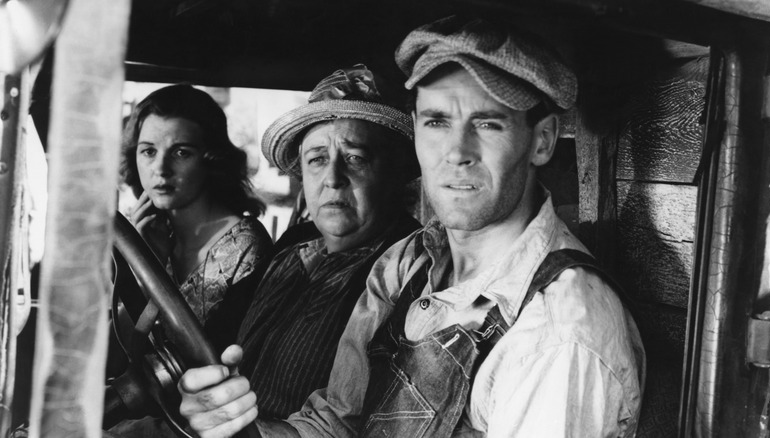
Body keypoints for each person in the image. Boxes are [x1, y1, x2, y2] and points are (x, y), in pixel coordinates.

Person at [177, 16, 645, 438]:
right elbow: (337, 424)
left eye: (487, 123)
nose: (456, 150)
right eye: (437, 121)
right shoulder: (406, 263)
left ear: (541, 140)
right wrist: (240, 431)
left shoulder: (558, 331)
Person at [108, 65, 421, 437]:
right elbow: (206, 350)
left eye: (355, 158)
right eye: (317, 159)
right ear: (302, 175)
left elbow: (351, 419)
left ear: (394, 173)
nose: (333, 178)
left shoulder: (404, 269)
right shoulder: (291, 249)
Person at [120, 84, 273, 350]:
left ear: (211, 158)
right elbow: (123, 346)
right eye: (148, 151)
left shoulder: (244, 246)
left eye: (181, 153)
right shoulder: (149, 233)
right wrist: (147, 263)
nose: (160, 169)